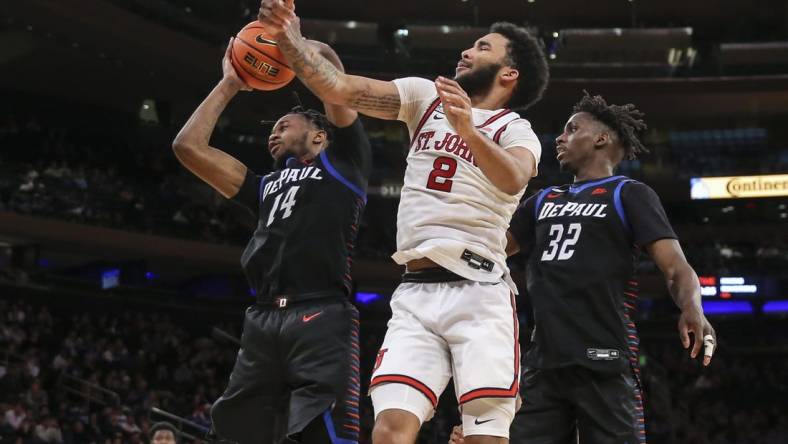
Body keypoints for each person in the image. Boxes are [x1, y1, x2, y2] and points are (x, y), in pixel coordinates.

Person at [258, 2, 550, 443]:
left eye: (482, 47)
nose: (467, 52)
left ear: (508, 74)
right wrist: (288, 39)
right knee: (389, 429)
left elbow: (514, 178)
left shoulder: (515, 129)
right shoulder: (426, 97)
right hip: (416, 291)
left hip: (480, 293)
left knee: (483, 435)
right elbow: (339, 88)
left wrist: (468, 129)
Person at [449, 93, 717, 443]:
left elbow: (675, 267)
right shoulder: (543, 199)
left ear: (601, 139)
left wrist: (692, 306)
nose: (560, 138)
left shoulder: (628, 193)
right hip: (543, 364)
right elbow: (489, 251)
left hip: (603, 358)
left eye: (572, 129)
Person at [172, 37, 371, 443]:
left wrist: (294, 44)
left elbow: (335, 77)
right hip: (262, 318)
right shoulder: (264, 185)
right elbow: (188, 147)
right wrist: (230, 83)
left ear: (319, 137)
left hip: (320, 312)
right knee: (234, 430)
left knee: (326, 433)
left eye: (284, 125)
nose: (273, 134)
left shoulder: (345, 164)